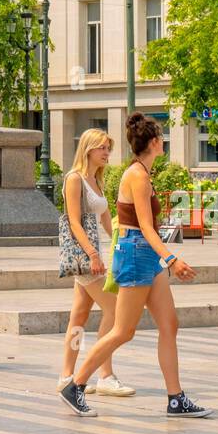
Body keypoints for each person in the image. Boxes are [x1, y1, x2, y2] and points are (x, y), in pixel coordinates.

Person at [60, 113, 212, 419]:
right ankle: (75, 384)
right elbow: (145, 227)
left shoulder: (142, 172)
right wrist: (172, 259)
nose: (164, 142)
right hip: (135, 253)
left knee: (169, 325)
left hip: (145, 255)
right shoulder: (138, 176)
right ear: (154, 142)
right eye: (162, 137)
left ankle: (175, 398)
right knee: (123, 330)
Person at [56, 129, 135, 404]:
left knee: (79, 316)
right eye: (102, 147)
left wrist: (122, 241)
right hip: (86, 258)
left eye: (108, 148)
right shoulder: (74, 179)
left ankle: (67, 375)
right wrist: (92, 253)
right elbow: (74, 221)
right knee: (114, 309)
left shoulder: (97, 180)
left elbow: (106, 220)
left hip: (98, 255)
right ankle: (105, 374)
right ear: (87, 149)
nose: (106, 152)